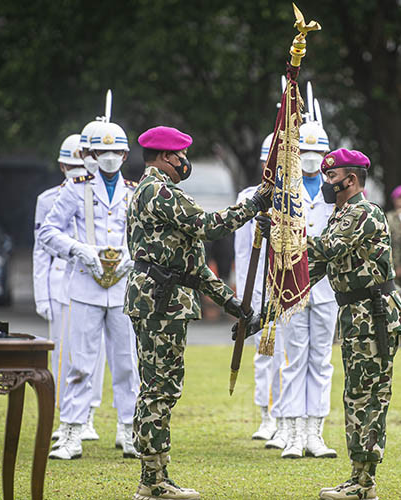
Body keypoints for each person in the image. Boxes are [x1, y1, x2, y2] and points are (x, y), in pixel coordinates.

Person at [124, 125, 267, 500]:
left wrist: (237, 306)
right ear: (168, 157)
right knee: (159, 389)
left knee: (160, 387)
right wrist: (253, 205)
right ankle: (152, 481)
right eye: (182, 155)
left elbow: (196, 268)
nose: (185, 162)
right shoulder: (158, 191)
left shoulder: (161, 192)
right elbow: (209, 227)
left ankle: (153, 475)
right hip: (160, 301)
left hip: (163, 297)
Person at [308, 148, 401, 500]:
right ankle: (359, 479)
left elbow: (327, 249)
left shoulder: (363, 213)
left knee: (367, 398)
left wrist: (286, 233)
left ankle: (364, 484)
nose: (326, 184)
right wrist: (266, 310)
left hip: (374, 314)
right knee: (356, 396)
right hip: (356, 315)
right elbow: (311, 270)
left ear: (350, 180)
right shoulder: (340, 215)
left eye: (331, 178)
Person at [39, 122, 141, 461]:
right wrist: (79, 250)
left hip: (124, 288)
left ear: (126, 155)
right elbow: (49, 233)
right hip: (85, 284)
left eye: (115, 152)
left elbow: (146, 235)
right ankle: (71, 431)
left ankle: (129, 431)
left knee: (127, 363)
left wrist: (132, 257)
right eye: (102, 152)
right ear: (90, 155)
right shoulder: (75, 188)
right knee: (79, 363)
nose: (109, 158)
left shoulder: (134, 191)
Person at [261, 111, 339, 460]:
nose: (310, 159)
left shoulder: (334, 193)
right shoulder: (281, 189)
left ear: (325, 157)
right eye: (304, 152)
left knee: (321, 361)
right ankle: (291, 432)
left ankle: (314, 433)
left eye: (317, 153)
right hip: (291, 287)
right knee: (292, 361)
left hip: (325, 289)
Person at [34, 134, 100, 445]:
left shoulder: (97, 193)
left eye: (81, 164)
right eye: (71, 165)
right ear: (62, 166)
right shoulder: (48, 199)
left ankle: (88, 416)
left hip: (93, 281)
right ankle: (66, 416)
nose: (77, 171)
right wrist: (41, 294)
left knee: (93, 355)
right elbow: (40, 250)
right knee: (63, 356)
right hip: (61, 285)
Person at [234, 132, 278, 442]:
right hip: (260, 284)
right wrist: (243, 295)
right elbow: (240, 248)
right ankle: (267, 414)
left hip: (288, 285)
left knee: (291, 355)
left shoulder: (299, 196)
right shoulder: (248, 196)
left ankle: (287, 416)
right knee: (265, 352)